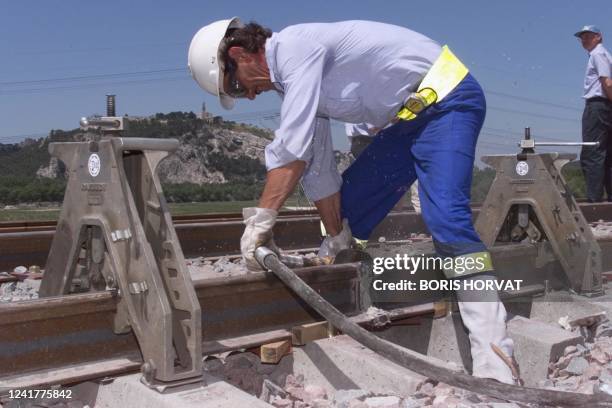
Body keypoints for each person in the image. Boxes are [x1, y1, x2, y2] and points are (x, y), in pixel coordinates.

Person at [188, 18, 517, 384]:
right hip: (409, 122)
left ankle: (497, 356)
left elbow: (291, 151)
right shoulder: (293, 83)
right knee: (348, 211)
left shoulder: (296, 47)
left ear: (239, 54)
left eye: (235, 85)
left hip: (450, 102)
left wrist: (261, 219)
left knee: (447, 217)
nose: (247, 95)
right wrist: (336, 235)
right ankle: (355, 276)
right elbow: (319, 167)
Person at [575, 25, 612, 202]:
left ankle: (594, 202)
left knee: (592, 153)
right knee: (607, 154)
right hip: (605, 107)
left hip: (597, 107)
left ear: (598, 37)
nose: (584, 40)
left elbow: (607, 83)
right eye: (582, 37)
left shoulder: (598, 54)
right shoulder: (604, 54)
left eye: (588, 36)